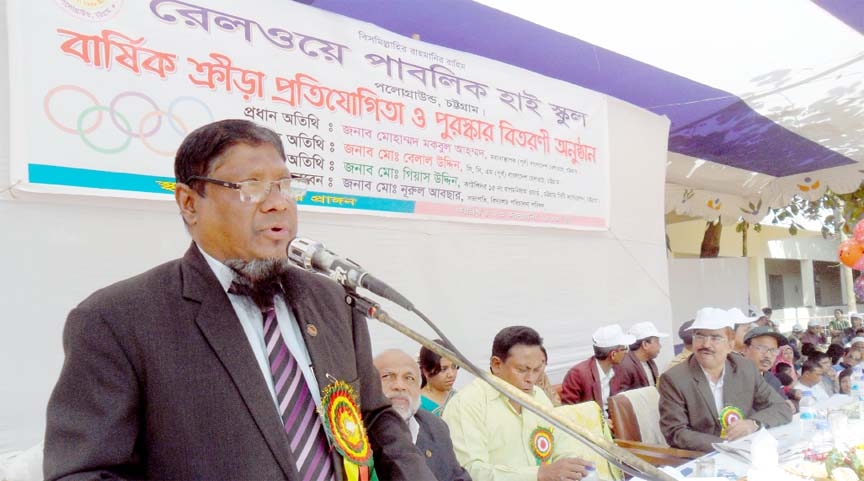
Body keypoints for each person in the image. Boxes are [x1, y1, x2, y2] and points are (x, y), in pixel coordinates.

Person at [43, 119, 435, 481]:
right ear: (189, 203)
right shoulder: (117, 320)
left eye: (284, 184)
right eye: (251, 186)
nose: (278, 202)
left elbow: (373, 415)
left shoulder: (330, 299)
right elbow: (84, 473)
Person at [443, 326, 594, 481]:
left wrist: (573, 469)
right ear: (496, 365)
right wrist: (538, 475)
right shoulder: (467, 404)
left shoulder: (538, 397)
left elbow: (563, 447)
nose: (531, 379)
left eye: (537, 370)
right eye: (522, 370)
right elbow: (470, 472)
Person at [658, 307, 793, 452]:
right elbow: (675, 433)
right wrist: (725, 445)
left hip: (745, 451)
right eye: (700, 336)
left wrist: (753, 423)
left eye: (715, 338)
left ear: (730, 344)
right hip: (703, 456)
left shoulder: (745, 368)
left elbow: (781, 408)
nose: (706, 344)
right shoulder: (674, 378)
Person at [373, 349, 472, 481]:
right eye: (387, 376)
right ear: (368, 383)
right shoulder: (353, 428)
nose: (399, 386)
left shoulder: (435, 427)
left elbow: (457, 477)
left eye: (409, 378)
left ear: (419, 387)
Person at [559, 324, 634, 411]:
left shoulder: (619, 370)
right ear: (613, 354)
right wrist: (601, 421)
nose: (626, 352)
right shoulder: (577, 374)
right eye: (624, 348)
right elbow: (569, 411)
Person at [616, 322, 668, 390]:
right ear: (645, 344)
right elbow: (620, 397)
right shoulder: (625, 366)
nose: (660, 346)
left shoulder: (650, 362)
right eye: (657, 342)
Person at [742, 326, 788, 396]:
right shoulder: (732, 377)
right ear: (745, 349)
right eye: (762, 348)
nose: (768, 355)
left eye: (773, 350)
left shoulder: (773, 381)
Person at [420, 340, 461, 416]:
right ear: (426, 372)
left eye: (454, 366)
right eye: (443, 369)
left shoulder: (458, 397)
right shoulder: (418, 405)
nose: (451, 374)